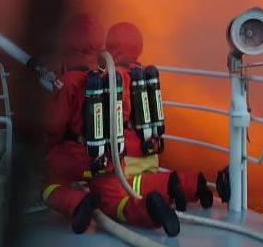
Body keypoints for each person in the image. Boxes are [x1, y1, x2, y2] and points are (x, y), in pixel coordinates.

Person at [42, 14, 180, 235]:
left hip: (74, 158)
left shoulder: (68, 82)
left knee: (48, 184)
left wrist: (48, 147)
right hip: (107, 159)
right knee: (116, 204)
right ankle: (149, 209)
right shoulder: (112, 77)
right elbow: (122, 116)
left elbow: (53, 128)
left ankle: (77, 203)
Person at [105, 21, 231, 207]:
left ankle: (170, 186)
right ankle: (193, 183)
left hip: (127, 158)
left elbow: (115, 118)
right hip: (150, 151)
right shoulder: (144, 74)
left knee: (124, 187)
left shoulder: (115, 78)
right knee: (145, 177)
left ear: (110, 47)